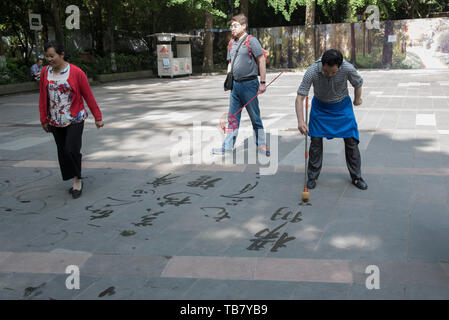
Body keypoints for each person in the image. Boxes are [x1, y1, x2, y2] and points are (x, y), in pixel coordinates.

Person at [39, 40, 104, 199]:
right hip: (55, 120)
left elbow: (88, 95)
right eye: (47, 56)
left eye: (52, 55)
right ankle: (73, 175)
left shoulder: (76, 72)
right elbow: (42, 97)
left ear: (61, 54)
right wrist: (43, 119)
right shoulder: (45, 72)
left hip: (75, 118)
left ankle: (77, 180)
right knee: (62, 152)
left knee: (71, 149)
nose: (49, 59)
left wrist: (98, 117)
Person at [295, 49, 368, 190]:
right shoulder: (312, 71)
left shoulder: (347, 68)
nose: (329, 75)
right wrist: (301, 121)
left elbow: (358, 83)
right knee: (315, 142)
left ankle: (357, 177)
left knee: (351, 141)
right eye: (326, 71)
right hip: (320, 108)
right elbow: (300, 97)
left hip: (342, 108)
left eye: (333, 73)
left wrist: (357, 99)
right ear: (322, 64)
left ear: (339, 67)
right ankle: (312, 176)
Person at [212, 13, 270, 156]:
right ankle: (227, 146)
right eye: (231, 26)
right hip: (236, 86)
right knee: (233, 117)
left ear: (244, 26)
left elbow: (261, 60)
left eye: (235, 25)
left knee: (255, 117)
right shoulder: (232, 43)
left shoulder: (252, 41)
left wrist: (262, 82)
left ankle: (261, 144)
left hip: (249, 85)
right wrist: (229, 80)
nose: (232, 28)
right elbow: (230, 63)